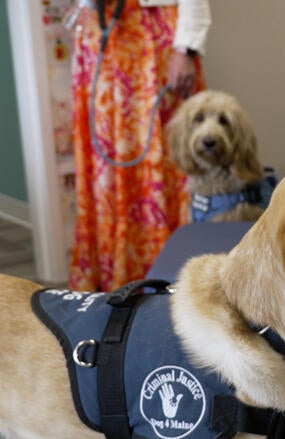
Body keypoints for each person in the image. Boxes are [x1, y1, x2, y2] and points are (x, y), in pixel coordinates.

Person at [69, 0, 211, 292]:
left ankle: (173, 280)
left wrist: (186, 47)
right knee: (105, 166)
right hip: (100, 34)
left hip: (153, 40)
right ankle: (116, 285)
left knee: (170, 159)